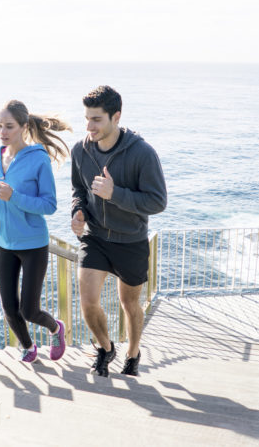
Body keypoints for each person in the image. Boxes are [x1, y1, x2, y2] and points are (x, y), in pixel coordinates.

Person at [71, 86, 167, 376]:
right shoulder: (81, 150)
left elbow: (157, 201)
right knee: (88, 302)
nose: (89, 127)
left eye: (97, 119)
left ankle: (133, 354)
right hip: (96, 237)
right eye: (87, 118)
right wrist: (78, 212)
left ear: (116, 117)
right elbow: (79, 189)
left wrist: (115, 194)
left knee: (129, 303)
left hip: (131, 240)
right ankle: (105, 348)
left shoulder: (142, 153)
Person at [0, 100, 70, 363]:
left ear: (24, 127)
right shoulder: (0, 156)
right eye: (0, 126)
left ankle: (55, 328)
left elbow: (49, 205)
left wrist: (14, 196)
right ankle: (28, 347)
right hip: (4, 242)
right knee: (9, 307)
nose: (3, 132)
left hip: (32, 244)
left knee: (29, 310)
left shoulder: (38, 159)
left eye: (9, 126)